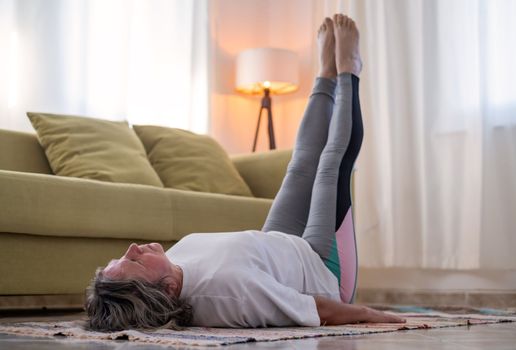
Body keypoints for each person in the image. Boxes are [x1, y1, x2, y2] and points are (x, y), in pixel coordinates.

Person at [85, 14, 406, 331]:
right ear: (167, 288)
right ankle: (349, 69)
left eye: (121, 257)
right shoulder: (229, 294)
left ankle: (325, 75)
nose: (132, 249)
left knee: (299, 166)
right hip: (322, 270)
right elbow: (317, 308)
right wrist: (370, 314)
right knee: (331, 164)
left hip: (278, 247)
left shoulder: (176, 261)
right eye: (135, 262)